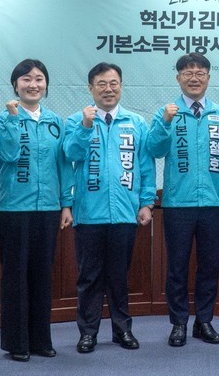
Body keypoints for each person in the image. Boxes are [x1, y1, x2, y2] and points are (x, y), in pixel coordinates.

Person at [63, 62, 156, 354]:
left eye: (113, 83)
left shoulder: (136, 122)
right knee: (89, 277)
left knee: (119, 276)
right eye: (101, 84)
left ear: (121, 86)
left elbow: (146, 165)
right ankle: (88, 332)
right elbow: (70, 154)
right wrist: (85, 126)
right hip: (88, 213)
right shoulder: (76, 121)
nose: (108, 89)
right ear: (90, 88)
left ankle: (122, 330)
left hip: (126, 213)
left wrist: (147, 203)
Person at [147, 53, 219, 347]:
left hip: (212, 203)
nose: (194, 77)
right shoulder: (168, 112)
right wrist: (165, 122)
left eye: (200, 72)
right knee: (177, 266)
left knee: (210, 265)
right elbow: (155, 149)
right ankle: (179, 323)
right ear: (178, 78)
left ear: (208, 78)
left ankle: (204, 321)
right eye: (187, 72)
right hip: (177, 203)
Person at [0, 59, 74, 361]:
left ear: (46, 85)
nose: (33, 84)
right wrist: (15, 118)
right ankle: (16, 342)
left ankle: (41, 339)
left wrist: (66, 204)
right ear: (16, 85)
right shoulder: (4, 119)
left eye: (39, 79)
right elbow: (9, 154)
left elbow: (63, 165)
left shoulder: (55, 121)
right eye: (26, 79)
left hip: (49, 208)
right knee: (16, 276)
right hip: (16, 208)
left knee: (42, 275)